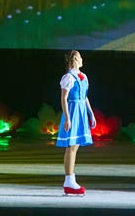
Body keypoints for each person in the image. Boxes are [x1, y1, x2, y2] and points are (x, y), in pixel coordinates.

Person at [56, 50, 96, 195]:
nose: (82, 59)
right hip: (73, 111)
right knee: (71, 147)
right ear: (74, 60)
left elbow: (84, 97)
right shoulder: (68, 77)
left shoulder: (83, 76)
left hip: (81, 111)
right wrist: (67, 118)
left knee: (75, 146)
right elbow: (64, 98)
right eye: (79, 57)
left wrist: (91, 114)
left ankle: (70, 181)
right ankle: (69, 181)